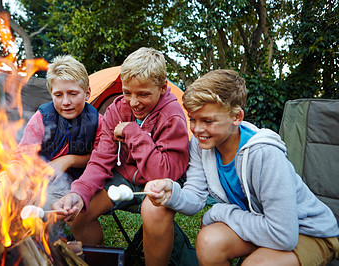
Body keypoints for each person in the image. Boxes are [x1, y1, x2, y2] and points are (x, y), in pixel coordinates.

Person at [144, 69, 339, 265]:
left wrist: (220, 212)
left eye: (208, 121)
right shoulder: (200, 146)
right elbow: (195, 198)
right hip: (260, 226)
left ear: (237, 117)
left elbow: (283, 235)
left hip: (305, 232)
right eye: (193, 119)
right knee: (209, 242)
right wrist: (171, 193)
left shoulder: (265, 154)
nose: (197, 129)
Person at [53, 47, 189, 265]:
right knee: (78, 213)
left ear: (163, 88)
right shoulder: (116, 110)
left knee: (155, 211)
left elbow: (163, 172)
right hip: (123, 178)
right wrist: (78, 194)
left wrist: (132, 132)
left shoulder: (172, 116)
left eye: (143, 94)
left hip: (162, 181)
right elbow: (100, 160)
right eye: (127, 93)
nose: (133, 102)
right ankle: (99, 262)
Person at [0, 55, 102, 241]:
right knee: (3, 196)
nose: (66, 102)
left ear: (87, 94)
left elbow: (100, 157)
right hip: (30, 176)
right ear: (51, 94)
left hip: (68, 185)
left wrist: (68, 159)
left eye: (73, 93)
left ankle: (43, 250)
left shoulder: (97, 121)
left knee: (49, 208)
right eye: (58, 95)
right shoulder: (42, 118)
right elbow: (19, 159)